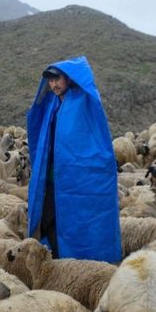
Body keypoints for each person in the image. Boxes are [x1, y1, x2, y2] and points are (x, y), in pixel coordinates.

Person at [26, 55, 122, 263]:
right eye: (50, 80)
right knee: (48, 218)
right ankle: (57, 261)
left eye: (57, 79)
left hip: (76, 179)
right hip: (52, 176)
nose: (53, 84)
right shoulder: (52, 106)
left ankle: (81, 265)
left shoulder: (83, 104)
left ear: (68, 79)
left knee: (79, 221)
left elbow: (90, 141)